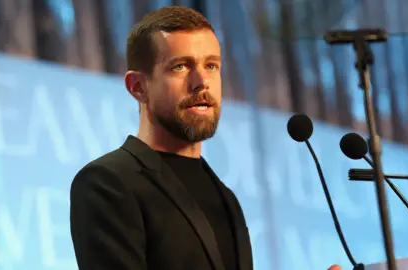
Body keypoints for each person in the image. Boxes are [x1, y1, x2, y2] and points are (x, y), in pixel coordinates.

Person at [69, 5, 341, 270]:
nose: (201, 81)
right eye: (180, 67)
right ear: (138, 87)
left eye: (211, 65)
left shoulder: (224, 196)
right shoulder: (107, 183)